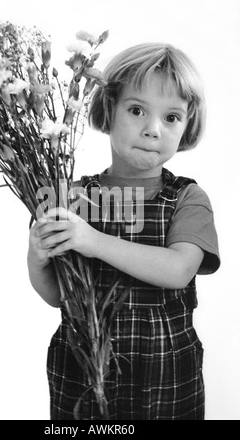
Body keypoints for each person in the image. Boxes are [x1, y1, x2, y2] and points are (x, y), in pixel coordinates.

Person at [27, 43, 220, 420]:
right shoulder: (73, 197)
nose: (152, 130)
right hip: (81, 373)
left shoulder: (188, 198)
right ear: (109, 109)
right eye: (136, 110)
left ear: (188, 123)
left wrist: (91, 240)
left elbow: (178, 270)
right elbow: (56, 296)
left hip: (164, 374)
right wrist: (37, 257)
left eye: (172, 118)